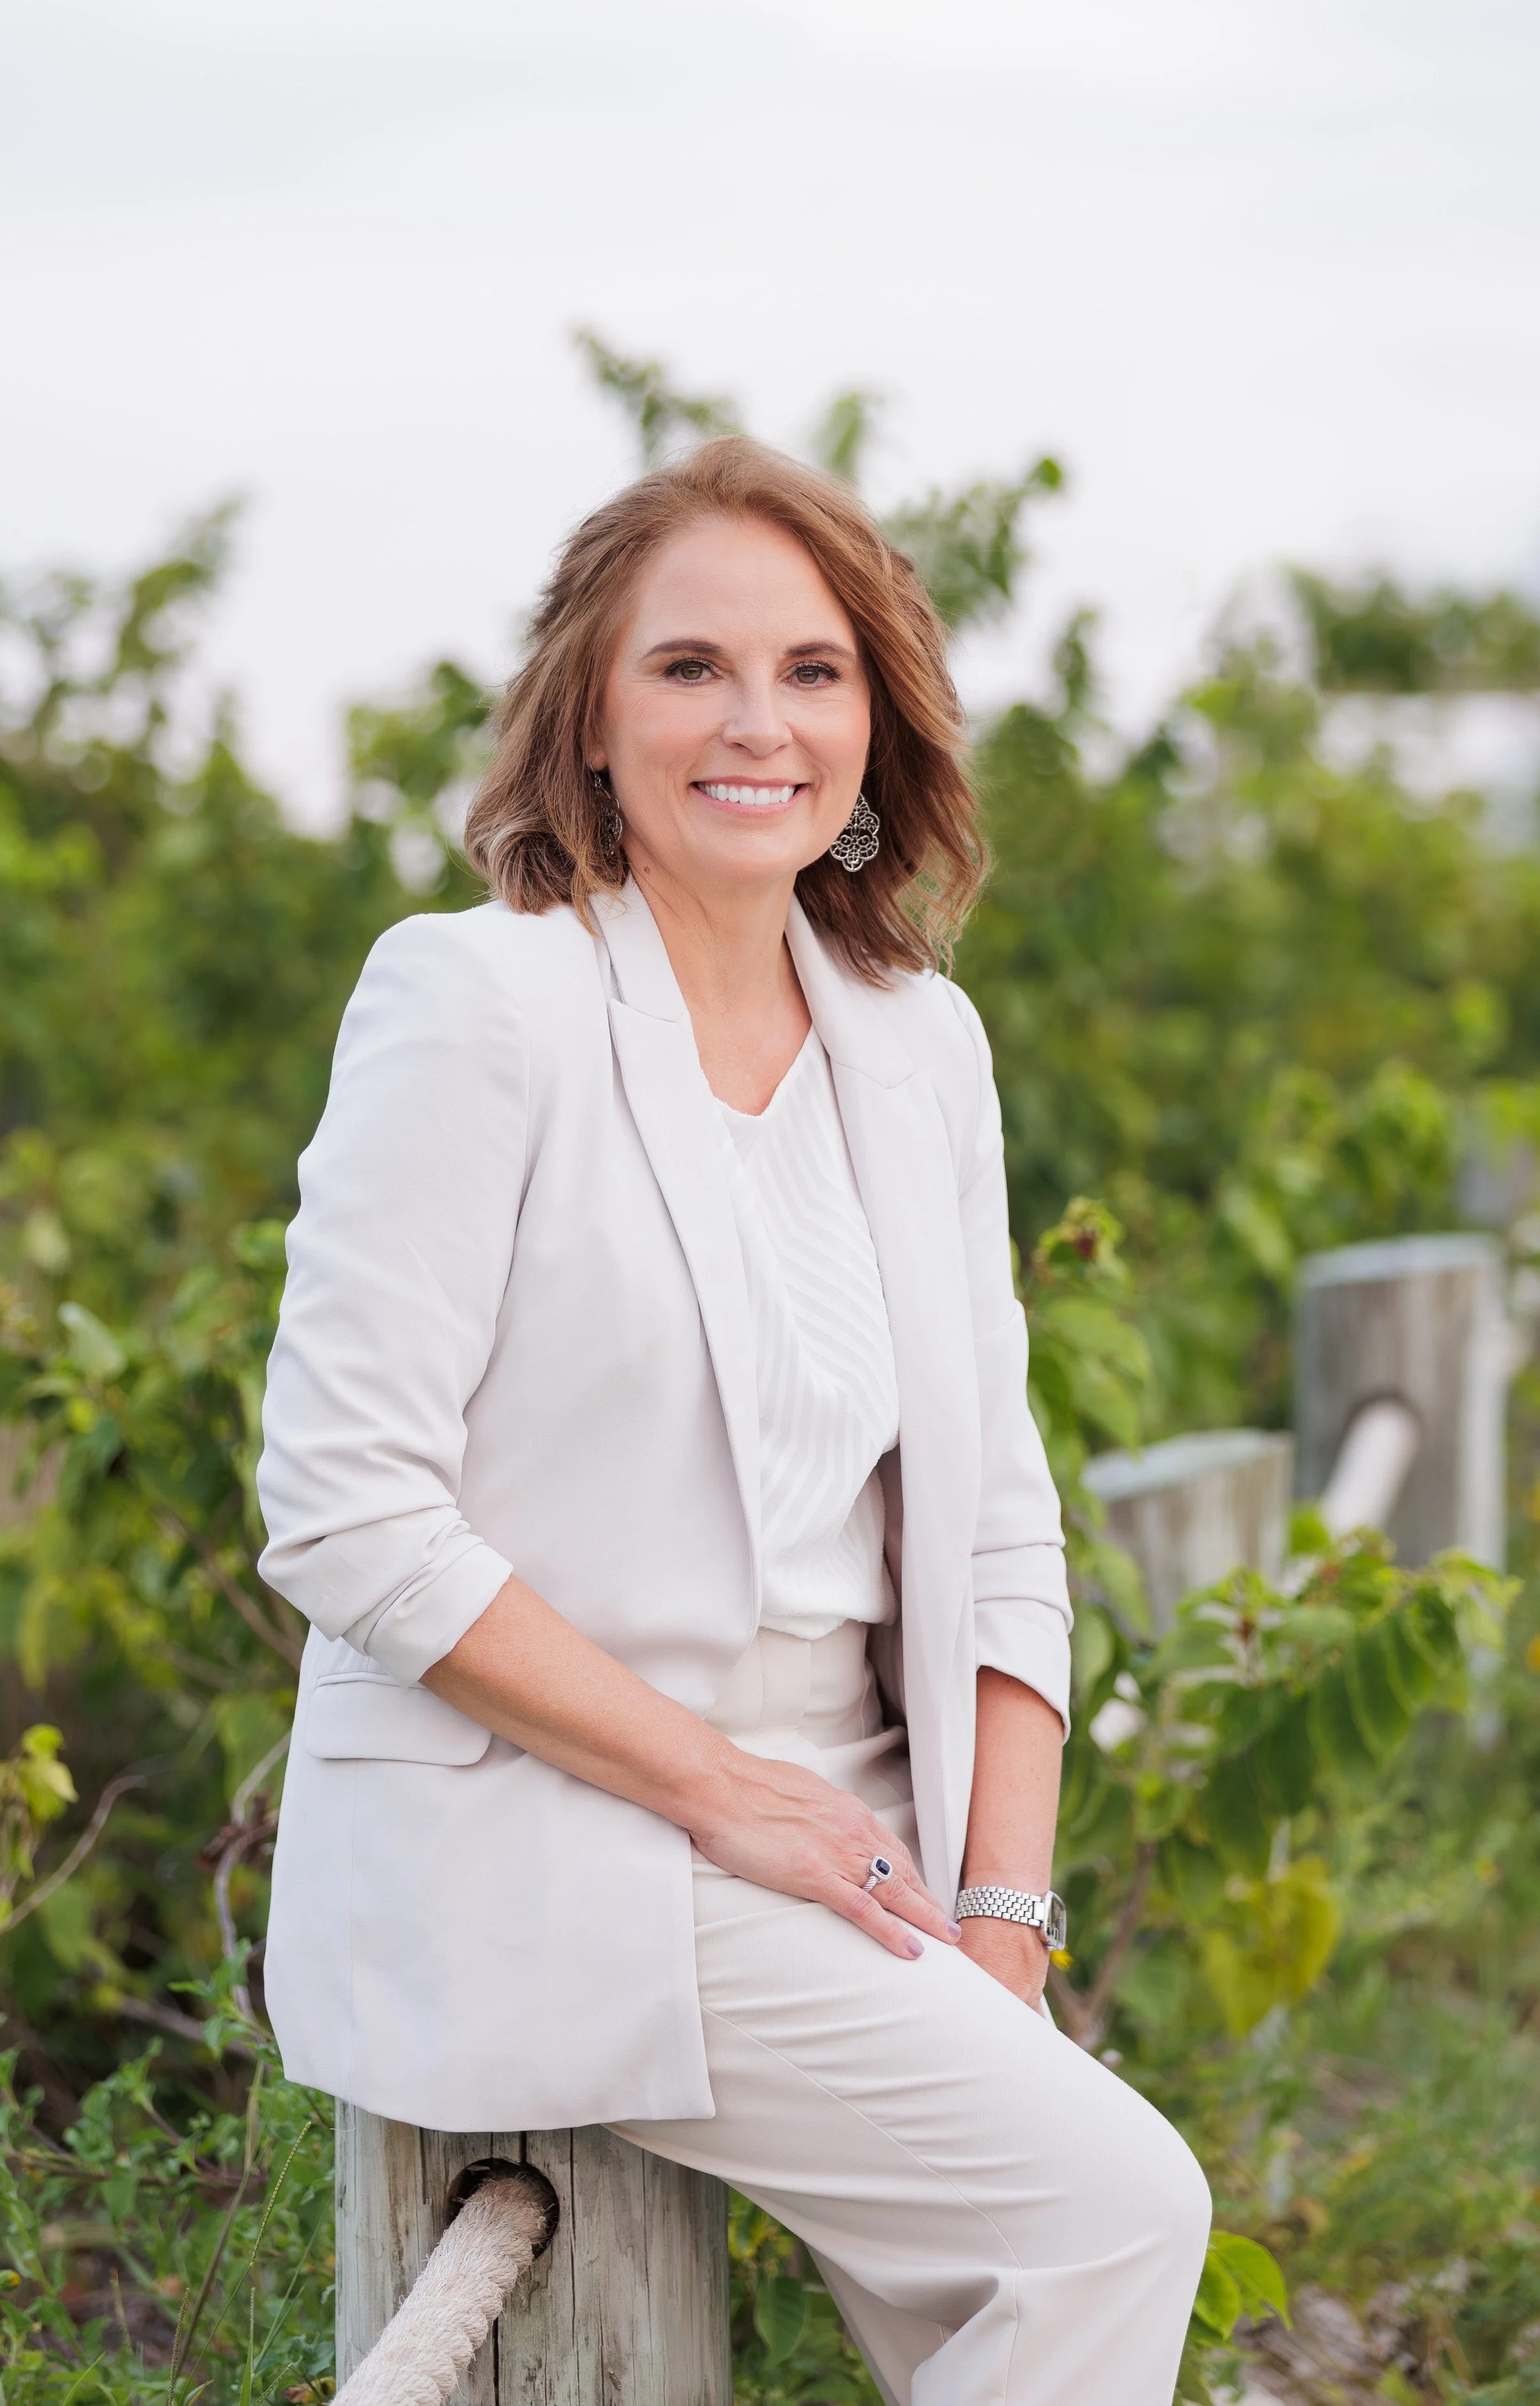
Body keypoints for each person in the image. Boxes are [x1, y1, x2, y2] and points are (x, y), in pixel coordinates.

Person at [256, 436, 1211, 2405]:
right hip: (576, 1814)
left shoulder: (914, 1039)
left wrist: (1007, 1924)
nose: (755, 722)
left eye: (813, 670)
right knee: (1111, 2212)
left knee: (1021, 2296)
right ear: (587, 721)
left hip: (870, 1832)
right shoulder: (475, 1000)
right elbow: (345, 1512)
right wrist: (717, 1786)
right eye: (687, 667)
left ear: (876, 717)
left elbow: (1003, 1534)